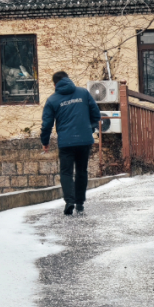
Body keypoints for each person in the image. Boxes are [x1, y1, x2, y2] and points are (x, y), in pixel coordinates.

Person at [41, 71, 101, 216]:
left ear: (54, 84)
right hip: (84, 140)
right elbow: (96, 114)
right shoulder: (83, 93)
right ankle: (80, 203)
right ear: (68, 79)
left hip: (66, 142)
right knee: (81, 171)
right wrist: (90, 129)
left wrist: (45, 141)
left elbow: (47, 124)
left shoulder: (52, 100)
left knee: (66, 172)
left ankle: (69, 201)